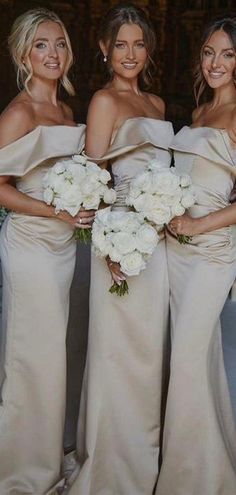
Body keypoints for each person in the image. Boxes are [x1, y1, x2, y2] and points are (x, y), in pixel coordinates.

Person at [66, 4, 174, 495]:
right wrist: (108, 244)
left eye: (139, 44)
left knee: (149, 357)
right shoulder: (103, 101)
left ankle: (143, 462)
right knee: (115, 354)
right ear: (105, 49)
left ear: (147, 50)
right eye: (121, 44)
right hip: (119, 240)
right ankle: (110, 467)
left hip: (160, 245)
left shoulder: (156, 104)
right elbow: (93, 180)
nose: (130, 53)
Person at [0, 8, 93, 494]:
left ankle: (48, 457)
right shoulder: (19, 112)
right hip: (31, 247)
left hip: (63, 250)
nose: (52, 54)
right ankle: (22, 473)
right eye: (41, 45)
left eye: (59, 44)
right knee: (32, 357)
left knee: (57, 356)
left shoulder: (66, 112)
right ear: (23, 54)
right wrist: (55, 212)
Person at [156, 16, 236, 495]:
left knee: (186, 359)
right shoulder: (202, 109)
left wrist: (198, 224)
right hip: (177, 253)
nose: (215, 62)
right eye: (209, 52)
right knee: (194, 360)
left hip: (211, 253)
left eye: (227, 54)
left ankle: (186, 482)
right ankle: (210, 469)